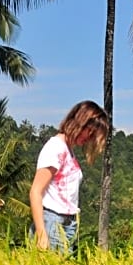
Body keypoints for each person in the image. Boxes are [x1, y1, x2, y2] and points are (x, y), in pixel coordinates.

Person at [29, 100, 109, 253]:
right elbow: (35, 192)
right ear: (80, 122)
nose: (89, 138)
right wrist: (41, 233)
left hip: (67, 223)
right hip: (52, 222)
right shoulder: (56, 148)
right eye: (89, 131)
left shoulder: (68, 150)